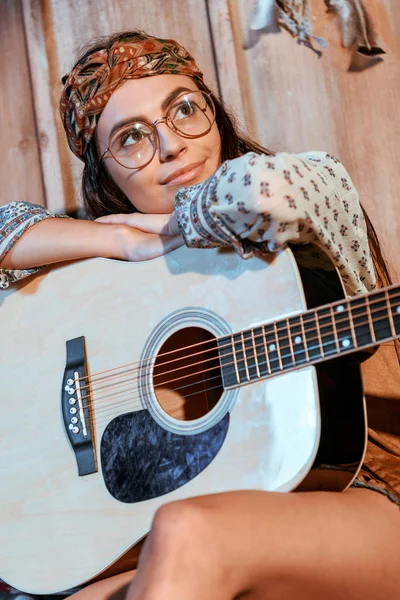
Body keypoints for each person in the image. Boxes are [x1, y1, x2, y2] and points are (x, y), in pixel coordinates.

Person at [1, 29, 399, 600]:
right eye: (132, 138)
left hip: (371, 490)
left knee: (188, 534)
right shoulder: (111, 278)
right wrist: (114, 243)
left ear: (215, 114)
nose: (170, 145)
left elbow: (262, 192)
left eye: (185, 109)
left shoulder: (311, 187)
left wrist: (162, 228)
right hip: (234, 515)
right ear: (104, 176)